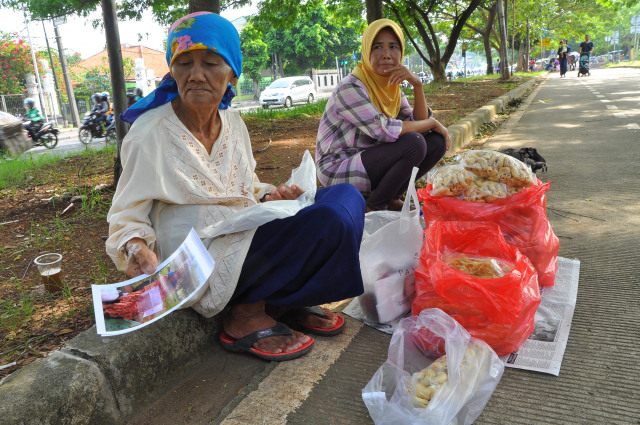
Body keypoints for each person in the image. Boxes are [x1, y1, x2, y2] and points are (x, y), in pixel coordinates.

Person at [107, 12, 365, 362]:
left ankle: (282, 300)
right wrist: (136, 247)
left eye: (211, 63)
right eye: (183, 63)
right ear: (172, 71)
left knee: (346, 198)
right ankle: (244, 314)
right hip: (195, 260)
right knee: (329, 221)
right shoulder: (148, 133)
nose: (196, 75)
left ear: (232, 72)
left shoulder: (233, 122)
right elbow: (125, 213)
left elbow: (246, 187)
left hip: (244, 230)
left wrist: (271, 196)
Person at [315, 19, 448, 212]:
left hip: (369, 160)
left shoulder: (391, 88)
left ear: (401, 52)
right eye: (377, 47)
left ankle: (390, 197)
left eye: (393, 47)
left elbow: (418, 122)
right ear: (366, 52)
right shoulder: (350, 87)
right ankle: (375, 206)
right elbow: (383, 129)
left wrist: (417, 85)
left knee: (435, 142)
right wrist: (432, 122)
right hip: (338, 168)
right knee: (414, 143)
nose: (386, 55)